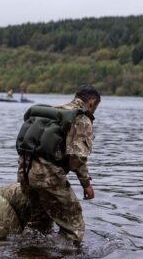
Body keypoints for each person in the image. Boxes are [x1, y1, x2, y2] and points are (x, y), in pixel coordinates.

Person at [16, 85, 100, 245]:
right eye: (95, 108)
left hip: (24, 172)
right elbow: (77, 158)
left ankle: (27, 252)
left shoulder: (54, 111)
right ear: (92, 103)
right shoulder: (81, 118)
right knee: (73, 223)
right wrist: (86, 184)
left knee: (39, 221)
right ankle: (67, 258)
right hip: (47, 176)